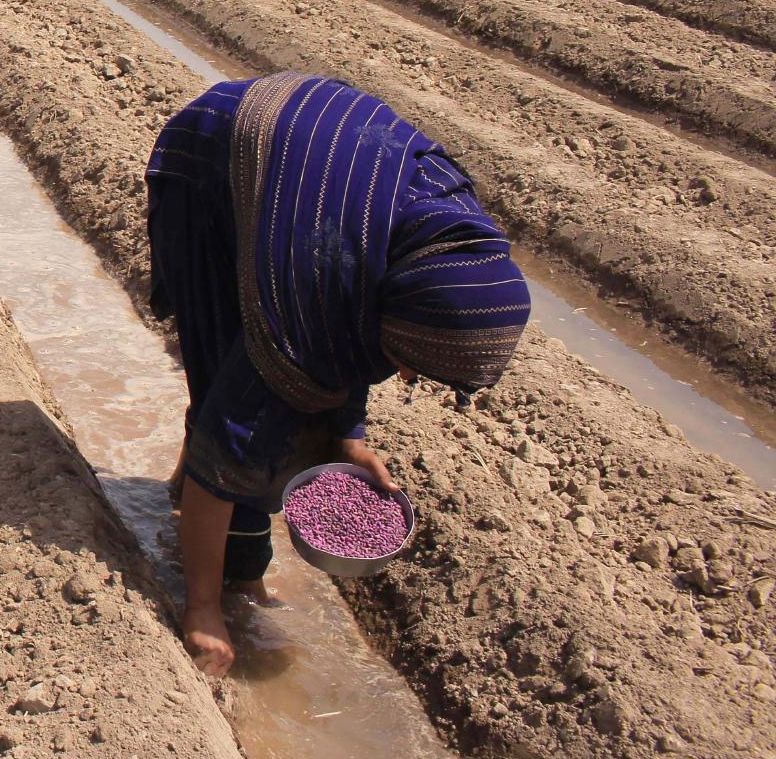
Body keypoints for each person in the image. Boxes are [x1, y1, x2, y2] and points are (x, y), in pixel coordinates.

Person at [145, 72, 531, 677]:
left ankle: (199, 514)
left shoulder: (438, 246)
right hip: (213, 158)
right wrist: (202, 611)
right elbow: (241, 431)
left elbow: (352, 334)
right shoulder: (312, 282)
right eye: (411, 365)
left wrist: (351, 437)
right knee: (230, 367)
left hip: (315, 173)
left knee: (272, 388)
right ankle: (223, 575)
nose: (403, 378)